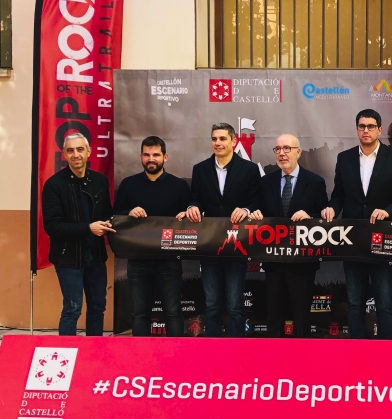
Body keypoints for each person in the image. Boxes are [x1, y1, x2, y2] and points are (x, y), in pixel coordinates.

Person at [321, 109, 392, 339]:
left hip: (382, 238)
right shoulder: (344, 158)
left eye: (371, 126)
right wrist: (332, 207)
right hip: (353, 239)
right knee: (354, 302)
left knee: (384, 302)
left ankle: (385, 352)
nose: (366, 130)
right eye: (362, 126)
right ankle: (356, 351)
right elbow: (339, 195)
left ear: (379, 130)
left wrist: (388, 211)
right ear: (356, 129)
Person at [183, 123, 263, 337]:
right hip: (209, 245)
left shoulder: (249, 169)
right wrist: (192, 208)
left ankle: (236, 348)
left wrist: (246, 210)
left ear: (234, 141)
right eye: (214, 139)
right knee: (211, 303)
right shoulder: (200, 169)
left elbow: (257, 202)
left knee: (235, 304)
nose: (217, 143)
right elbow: (195, 199)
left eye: (222, 139)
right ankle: (213, 347)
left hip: (236, 245)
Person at [249, 134, 328, 338]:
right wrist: (255, 213)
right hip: (273, 260)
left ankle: (302, 355)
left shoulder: (315, 182)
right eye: (277, 149)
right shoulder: (265, 182)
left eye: (287, 148)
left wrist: (310, 217)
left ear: (298, 152)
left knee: (301, 316)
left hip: (302, 261)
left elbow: (325, 217)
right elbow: (257, 208)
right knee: (274, 314)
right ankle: (273, 354)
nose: (282, 153)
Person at [113, 136, 190, 337]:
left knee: (173, 311)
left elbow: (191, 218)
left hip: (170, 259)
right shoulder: (128, 184)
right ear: (141, 157)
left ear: (165, 157)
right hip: (138, 260)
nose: (151, 159)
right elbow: (114, 217)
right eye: (147, 155)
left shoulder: (179, 186)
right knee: (139, 313)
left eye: (156, 154)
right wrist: (128, 212)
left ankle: (176, 352)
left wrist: (186, 215)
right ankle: (141, 353)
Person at [41, 132, 114, 336]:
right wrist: (88, 228)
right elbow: (52, 226)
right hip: (68, 257)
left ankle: (94, 351)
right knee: (72, 309)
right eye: (70, 150)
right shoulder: (54, 185)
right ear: (64, 154)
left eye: (80, 149)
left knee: (98, 307)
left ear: (88, 152)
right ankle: (68, 351)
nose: (76, 154)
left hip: (96, 256)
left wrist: (116, 219)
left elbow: (107, 213)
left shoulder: (99, 181)